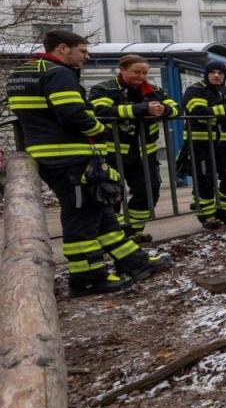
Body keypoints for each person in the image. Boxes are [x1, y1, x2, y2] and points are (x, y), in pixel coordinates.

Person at [6, 30, 172, 296]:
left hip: (50, 152)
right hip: (69, 155)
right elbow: (73, 113)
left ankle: (133, 261)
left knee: (100, 210)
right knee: (81, 215)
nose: (86, 56)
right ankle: (88, 277)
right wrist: (99, 129)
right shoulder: (58, 73)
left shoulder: (21, 73)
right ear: (62, 48)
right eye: (82, 51)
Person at [89, 55, 180, 244]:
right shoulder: (104, 89)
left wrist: (163, 110)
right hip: (112, 153)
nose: (141, 76)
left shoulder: (153, 90)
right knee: (112, 195)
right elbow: (100, 112)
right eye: (136, 72)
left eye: (145, 72)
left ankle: (132, 230)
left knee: (149, 191)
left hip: (144, 152)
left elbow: (176, 108)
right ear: (122, 69)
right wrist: (141, 109)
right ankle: (113, 235)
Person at [182, 61, 226, 229]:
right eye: (212, 72)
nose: (216, 75)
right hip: (200, 144)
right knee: (205, 180)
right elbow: (198, 111)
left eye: (220, 73)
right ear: (206, 74)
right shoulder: (195, 90)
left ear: (225, 75)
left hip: (224, 143)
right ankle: (206, 215)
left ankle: (224, 211)